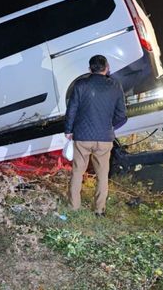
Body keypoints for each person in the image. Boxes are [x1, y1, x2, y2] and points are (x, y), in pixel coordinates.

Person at [64, 55, 127, 216]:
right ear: (106, 68)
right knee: (102, 174)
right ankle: (99, 209)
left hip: (83, 136)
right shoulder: (115, 86)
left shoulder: (81, 85)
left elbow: (71, 110)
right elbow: (122, 115)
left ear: (90, 69)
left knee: (77, 172)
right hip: (104, 138)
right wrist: (109, 125)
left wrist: (69, 130)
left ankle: (74, 206)